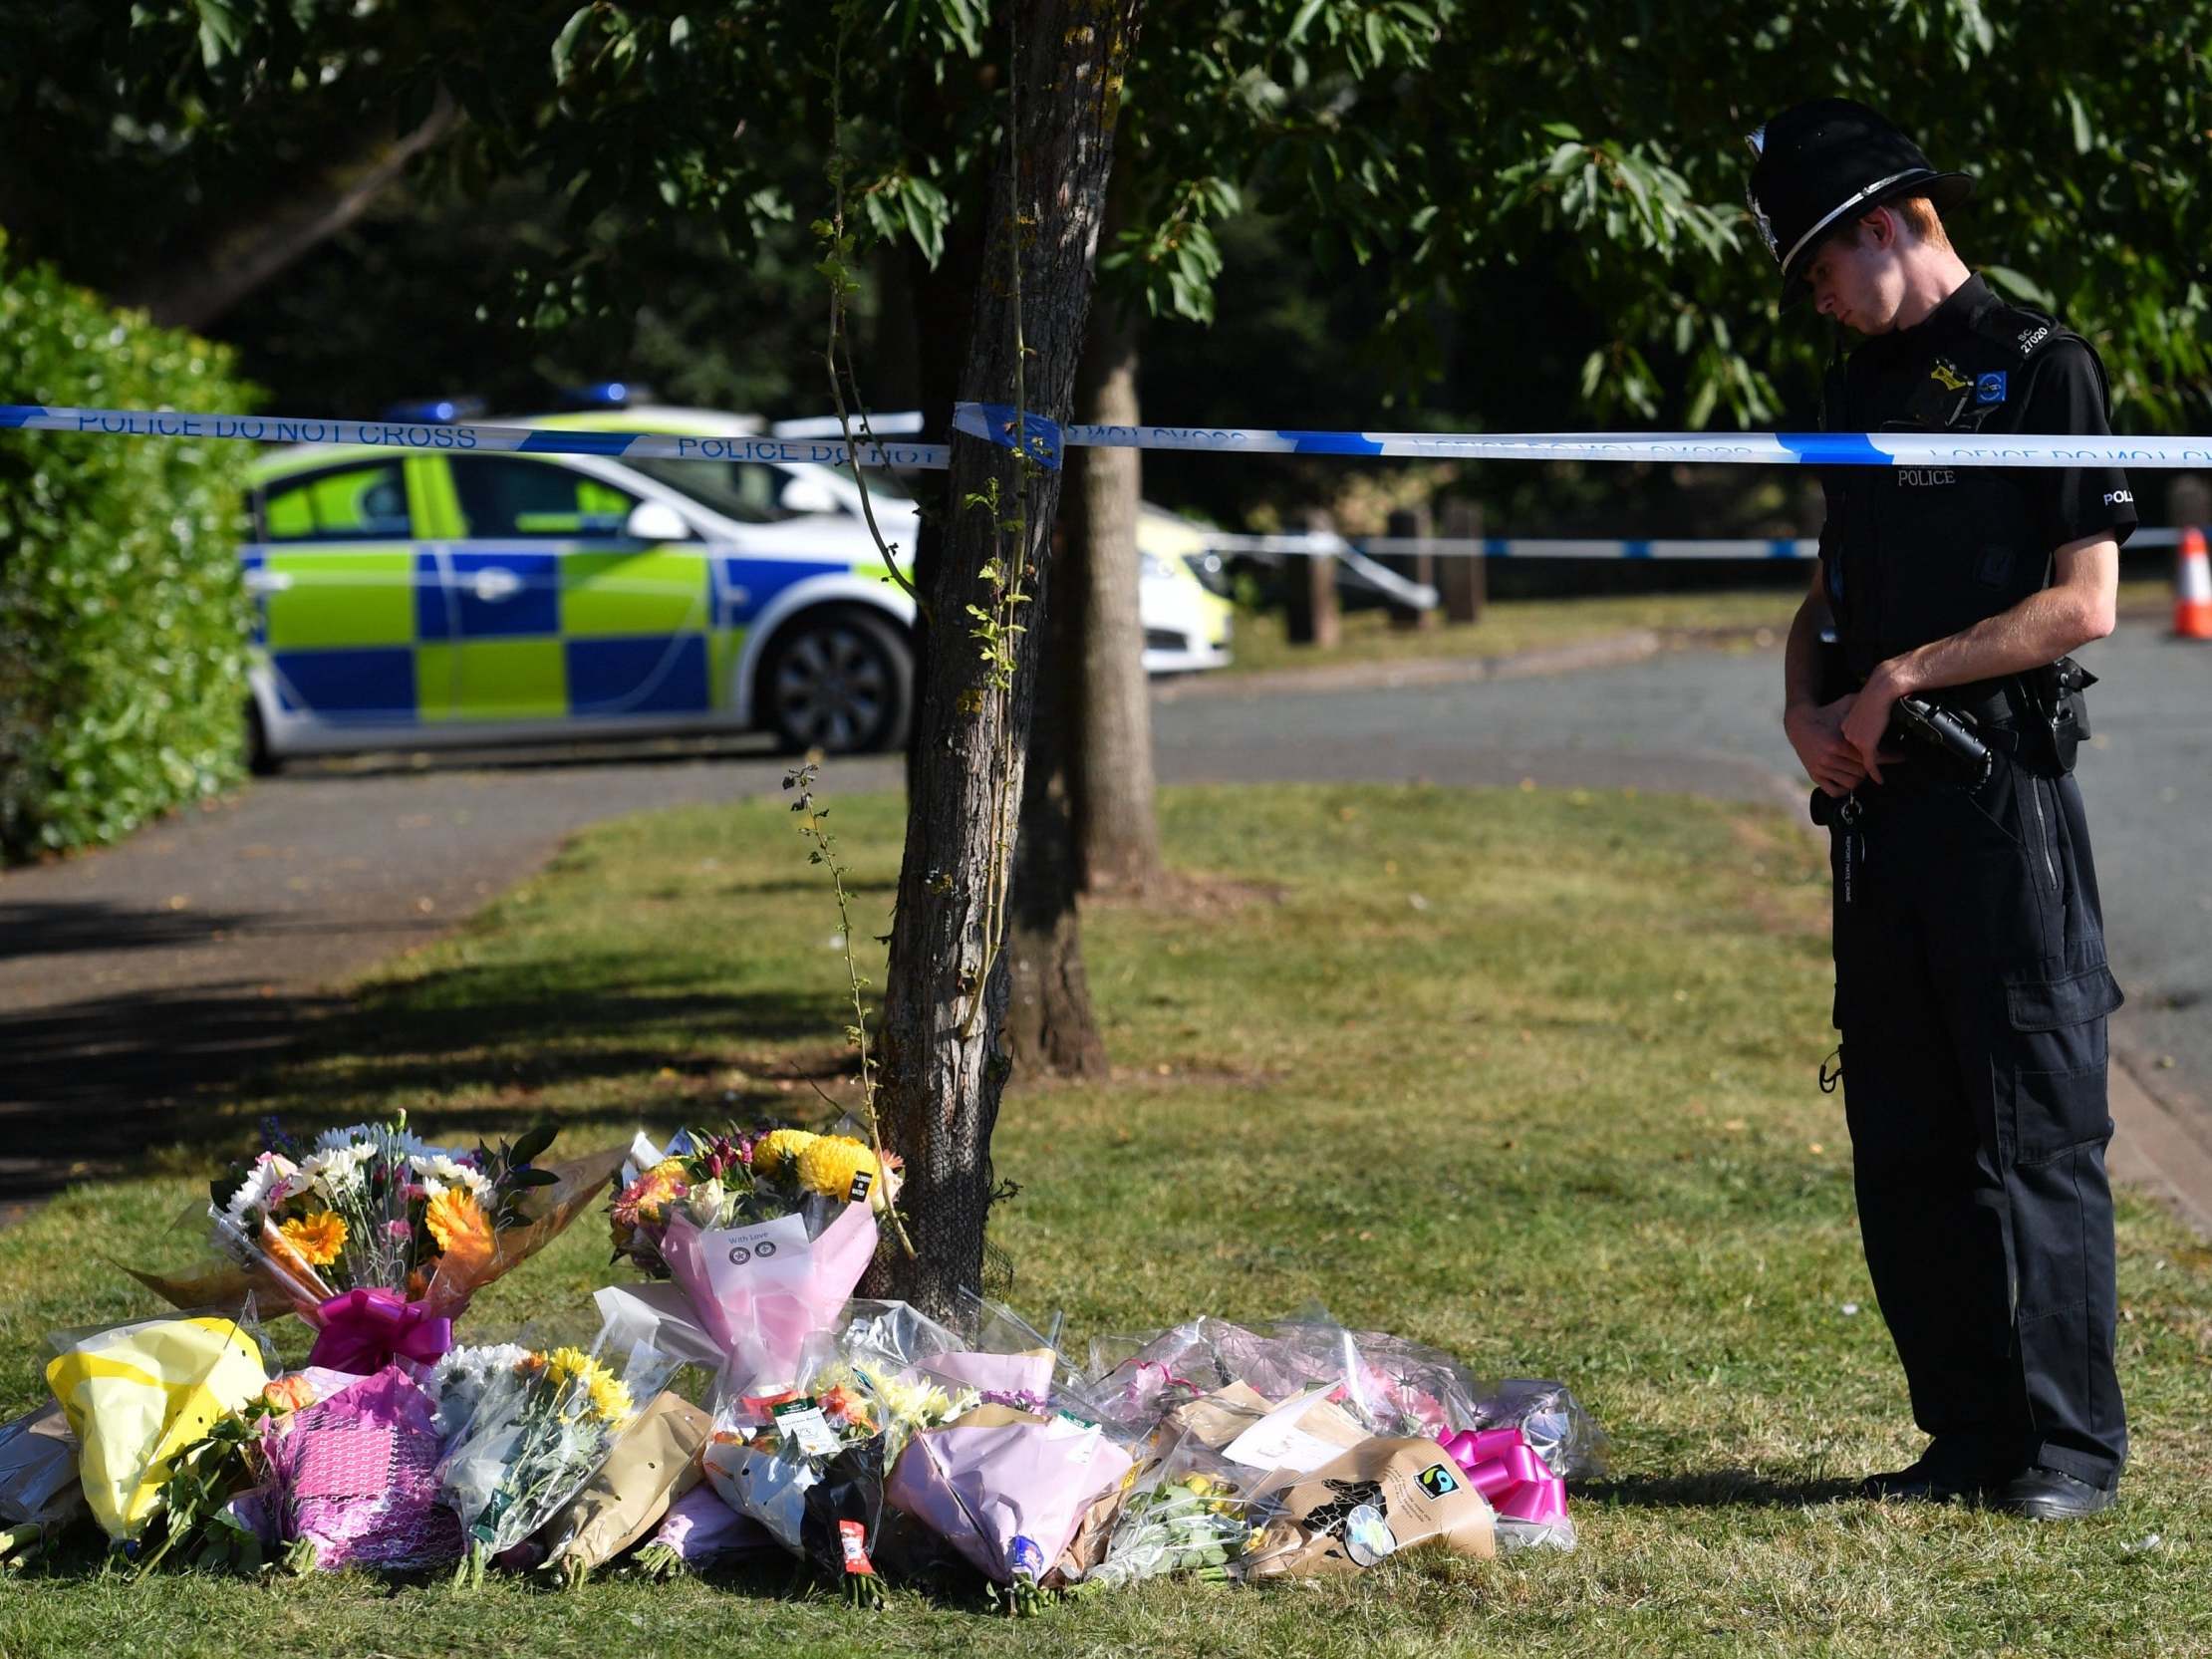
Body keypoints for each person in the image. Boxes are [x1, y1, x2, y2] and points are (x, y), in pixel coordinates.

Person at [1747, 99, 2131, 1521]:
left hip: (2001, 797)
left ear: (1883, 226)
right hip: (1879, 820)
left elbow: (2084, 602)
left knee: (2034, 1125)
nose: (1819, 297)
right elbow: (1824, 595)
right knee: (1905, 1130)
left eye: (1818, 268)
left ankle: (2069, 1449)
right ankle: (1962, 1432)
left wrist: (1907, 674)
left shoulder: (2041, 365)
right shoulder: (1852, 391)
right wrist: (1806, 704)